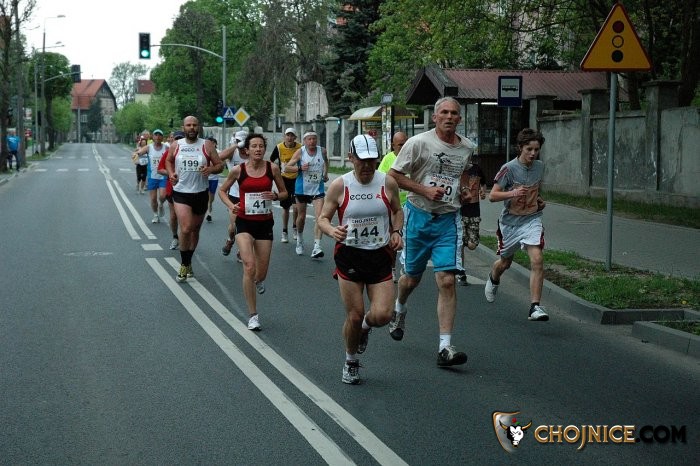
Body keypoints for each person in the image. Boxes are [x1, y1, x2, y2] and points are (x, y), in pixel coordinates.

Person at [387, 96, 476, 367]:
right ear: (435, 117)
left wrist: (465, 190)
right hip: (418, 216)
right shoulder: (418, 143)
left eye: (454, 113)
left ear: (459, 118)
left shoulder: (467, 147)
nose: (449, 117)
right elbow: (393, 175)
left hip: (448, 219)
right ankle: (399, 308)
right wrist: (424, 190)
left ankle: (445, 347)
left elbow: (463, 173)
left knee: (447, 280)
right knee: (410, 279)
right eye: (444, 112)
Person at [318, 134, 404, 385]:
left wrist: (396, 231)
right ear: (350, 158)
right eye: (361, 160)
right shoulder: (340, 185)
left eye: (371, 160)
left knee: (383, 315)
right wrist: (332, 230)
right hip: (350, 255)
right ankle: (351, 361)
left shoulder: (387, 182)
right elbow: (323, 218)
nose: (367, 165)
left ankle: (365, 328)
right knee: (353, 316)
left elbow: (397, 211)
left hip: (379, 255)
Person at [218, 133, 287, 331]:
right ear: (246, 150)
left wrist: (275, 195)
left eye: (261, 146)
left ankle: (258, 280)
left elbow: (284, 193)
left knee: (261, 273)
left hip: (264, 224)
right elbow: (222, 191)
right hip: (244, 222)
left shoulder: (272, 168)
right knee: (249, 266)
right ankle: (253, 315)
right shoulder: (238, 170)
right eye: (254, 146)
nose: (258, 149)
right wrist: (231, 205)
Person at [484, 128, 549, 322]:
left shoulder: (540, 167)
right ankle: (494, 276)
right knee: (505, 263)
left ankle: (535, 307)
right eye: (529, 149)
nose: (533, 153)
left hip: (531, 220)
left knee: (537, 259)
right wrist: (513, 193)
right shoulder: (509, 169)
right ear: (520, 148)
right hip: (510, 223)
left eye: (536, 149)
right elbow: (492, 196)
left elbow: (534, 191)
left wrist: (538, 201)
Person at [165, 116, 224, 282]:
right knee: (186, 228)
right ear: (183, 127)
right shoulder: (176, 145)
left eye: (194, 125)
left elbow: (220, 166)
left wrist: (211, 169)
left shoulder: (207, 145)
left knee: (195, 230)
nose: (191, 127)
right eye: (188, 125)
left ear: (199, 127)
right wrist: (171, 173)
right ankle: (184, 264)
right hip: (181, 192)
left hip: (201, 193)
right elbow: (168, 161)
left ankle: (188, 260)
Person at [285, 131, 328, 259]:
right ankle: (299, 239)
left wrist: (325, 174)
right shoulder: (300, 152)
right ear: (304, 141)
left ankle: (317, 247)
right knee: (301, 217)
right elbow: (287, 168)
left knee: (320, 217)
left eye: (314, 139)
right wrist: (299, 168)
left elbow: (326, 162)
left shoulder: (322, 151)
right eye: (309, 139)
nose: (312, 141)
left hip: (317, 189)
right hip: (302, 189)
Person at [377, 131, 409, 281]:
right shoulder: (388, 159)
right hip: (394, 206)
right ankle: (392, 267)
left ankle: (407, 267)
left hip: (411, 204)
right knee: (394, 237)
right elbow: (380, 180)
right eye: (400, 144)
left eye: (406, 143)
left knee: (410, 238)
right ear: (393, 145)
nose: (403, 147)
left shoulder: (414, 157)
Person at [218, 130, 249, 260]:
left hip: (250, 195)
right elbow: (220, 157)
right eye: (238, 141)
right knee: (234, 225)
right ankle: (230, 240)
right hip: (235, 194)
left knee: (247, 225)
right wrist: (236, 145)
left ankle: (242, 250)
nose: (242, 145)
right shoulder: (233, 153)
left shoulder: (251, 153)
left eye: (243, 142)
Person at [456, 158, 487, 286]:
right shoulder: (457, 168)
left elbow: (483, 183)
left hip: (474, 212)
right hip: (460, 211)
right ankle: (461, 272)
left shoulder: (476, 169)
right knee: (461, 244)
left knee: (472, 245)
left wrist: (483, 191)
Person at [269, 127, 302, 243]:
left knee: (296, 206)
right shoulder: (279, 147)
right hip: (284, 179)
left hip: (297, 179)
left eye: (292, 135)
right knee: (286, 207)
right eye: (288, 135)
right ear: (284, 136)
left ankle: (295, 228)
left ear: (295, 137)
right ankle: (284, 231)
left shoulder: (300, 147)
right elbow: (271, 160)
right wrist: (275, 172)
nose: (290, 138)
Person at [158, 130, 185, 250]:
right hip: (173, 188)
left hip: (189, 189)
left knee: (186, 217)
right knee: (174, 216)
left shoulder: (192, 153)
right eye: (176, 139)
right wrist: (171, 174)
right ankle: (175, 237)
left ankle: (186, 236)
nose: (178, 141)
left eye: (180, 139)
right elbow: (160, 169)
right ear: (173, 140)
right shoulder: (169, 153)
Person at [134, 129, 168, 223]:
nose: (157, 137)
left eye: (159, 135)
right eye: (156, 135)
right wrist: (136, 154)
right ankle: (155, 215)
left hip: (163, 176)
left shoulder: (166, 147)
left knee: (163, 196)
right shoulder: (149, 147)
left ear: (162, 137)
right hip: (152, 177)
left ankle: (161, 204)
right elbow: (139, 152)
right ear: (153, 137)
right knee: (153, 199)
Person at [205, 136, 219, 223]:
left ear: (215, 144)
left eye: (212, 143)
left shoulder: (219, 152)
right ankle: (208, 214)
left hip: (214, 179)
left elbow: (221, 164)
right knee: (206, 197)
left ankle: (208, 210)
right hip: (205, 178)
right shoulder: (204, 151)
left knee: (211, 198)